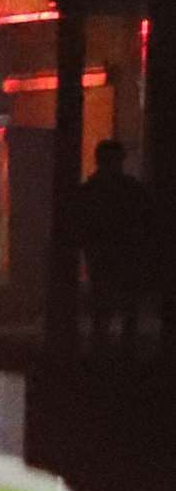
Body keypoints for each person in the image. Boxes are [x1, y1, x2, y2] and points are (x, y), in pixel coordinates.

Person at [75, 139, 152, 354]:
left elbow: (80, 223)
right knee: (126, 302)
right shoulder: (131, 190)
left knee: (103, 301)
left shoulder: (90, 190)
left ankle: (101, 346)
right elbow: (146, 219)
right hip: (125, 252)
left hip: (102, 253)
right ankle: (125, 347)